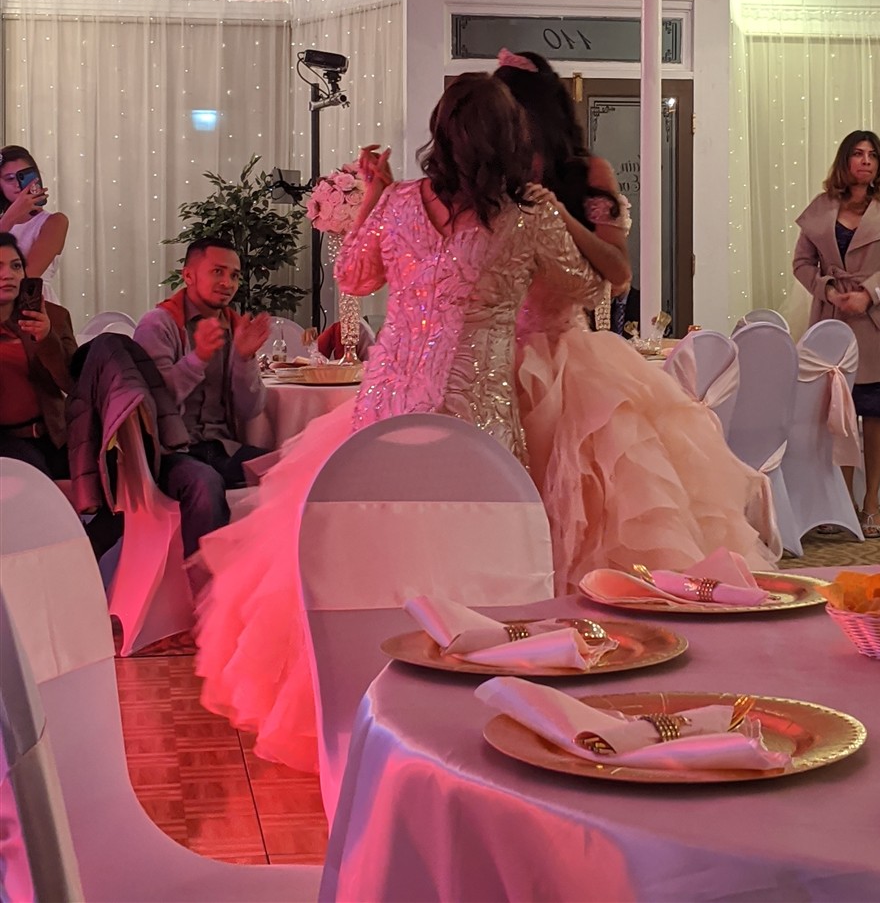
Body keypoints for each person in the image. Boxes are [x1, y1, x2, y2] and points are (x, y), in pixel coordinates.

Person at [193, 74, 601, 770]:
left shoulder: (403, 202)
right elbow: (582, 286)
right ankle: (467, 713)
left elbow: (353, 277)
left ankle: (379, 702)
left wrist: (376, 199)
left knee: (381, 551)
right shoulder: (529, 214)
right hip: (475, 415)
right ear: (511, 140)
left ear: (440, 133)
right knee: (472, 561)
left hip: (388, 407)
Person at [494, 50, 777, 591]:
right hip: (497, 357)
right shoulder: (491, 178)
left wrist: (558, 214)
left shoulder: (587, 176)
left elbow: (619, 274)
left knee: (605, 495)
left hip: (570, 355)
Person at [793, 131, 880, 540]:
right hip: (832, 321)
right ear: (845, 160)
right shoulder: (821, 207)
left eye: (873, 155)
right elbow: (802, 263)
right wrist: (827, 290)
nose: (866, 161)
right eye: (858, 154)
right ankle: (838, 501)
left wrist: (869, 293)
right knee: (836, 415)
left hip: (879, 322)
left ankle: (871, 501)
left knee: (875, 413)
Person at [133, 238, 272, 570]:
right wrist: (198, 358)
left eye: (234, 275)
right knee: (205, 483)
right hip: (170, 452)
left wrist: (244, 358)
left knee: (287, 470)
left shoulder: (235, 327)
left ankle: (263, 575)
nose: (228, 283)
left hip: (221, 446)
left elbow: (250, 410)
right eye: (218, 272)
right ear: (189, 275)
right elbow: (153, 405)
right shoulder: (159, 324)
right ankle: (204, 587)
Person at [0, 232, 76, 479]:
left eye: (16, 266)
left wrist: (46, 338)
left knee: (102, 482)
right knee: (41, 486)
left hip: (55, 435)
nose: (8, 275)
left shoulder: (54, 317)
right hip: (6, 442)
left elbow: (72, 383)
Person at [0, 147, 69, 303]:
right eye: (10, 178)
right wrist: (9, 219)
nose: (18, 184)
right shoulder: (4, 222)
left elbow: (27, 278)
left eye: (23, 176)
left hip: (32, 305)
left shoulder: (54, 222)